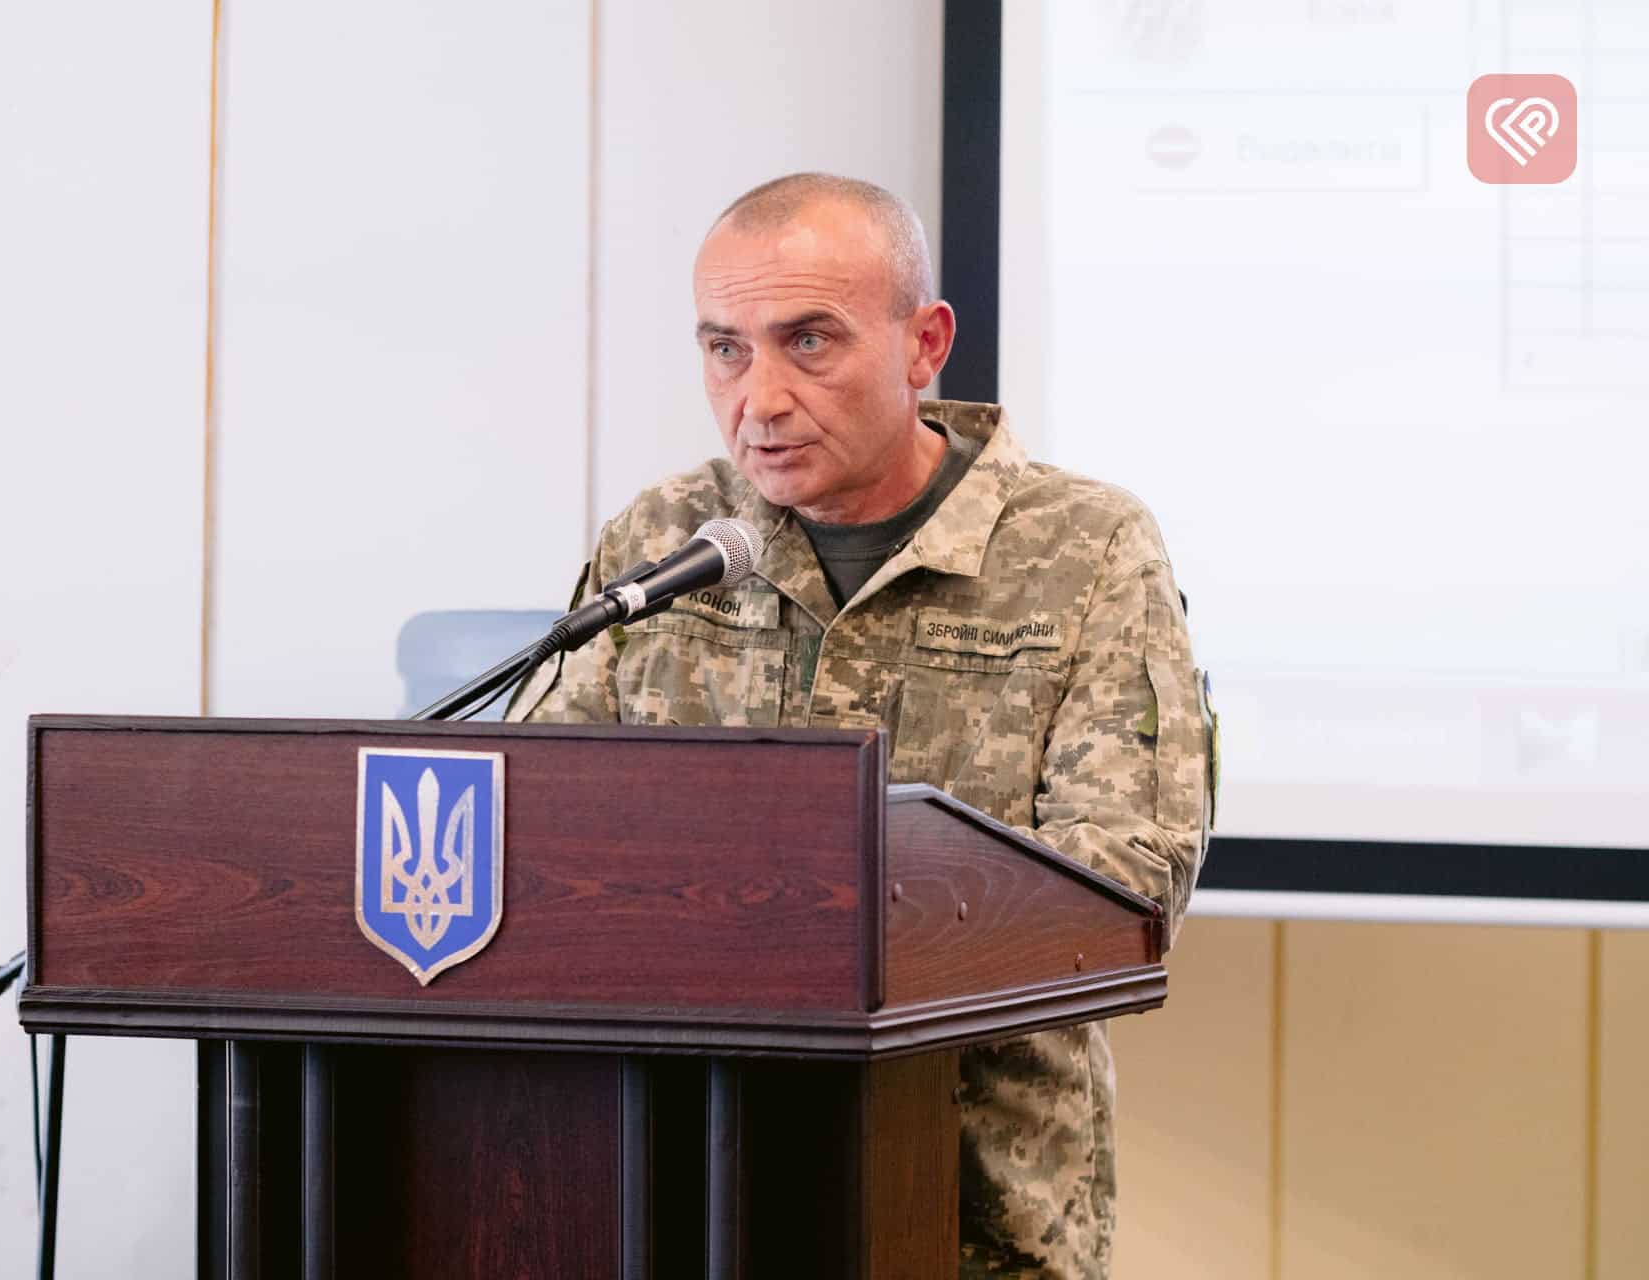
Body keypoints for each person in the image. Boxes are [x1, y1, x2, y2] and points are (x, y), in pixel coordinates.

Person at [509, 172, 1211, 1279]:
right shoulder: (670, 534)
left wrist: (826, 915)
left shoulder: (1084, 548)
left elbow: (1127, 878)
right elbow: (532, 814)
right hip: (671, 1182)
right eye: (725, 349)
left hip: (970, 1202)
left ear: (924, 344)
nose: (761, 398)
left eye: (809, 342)